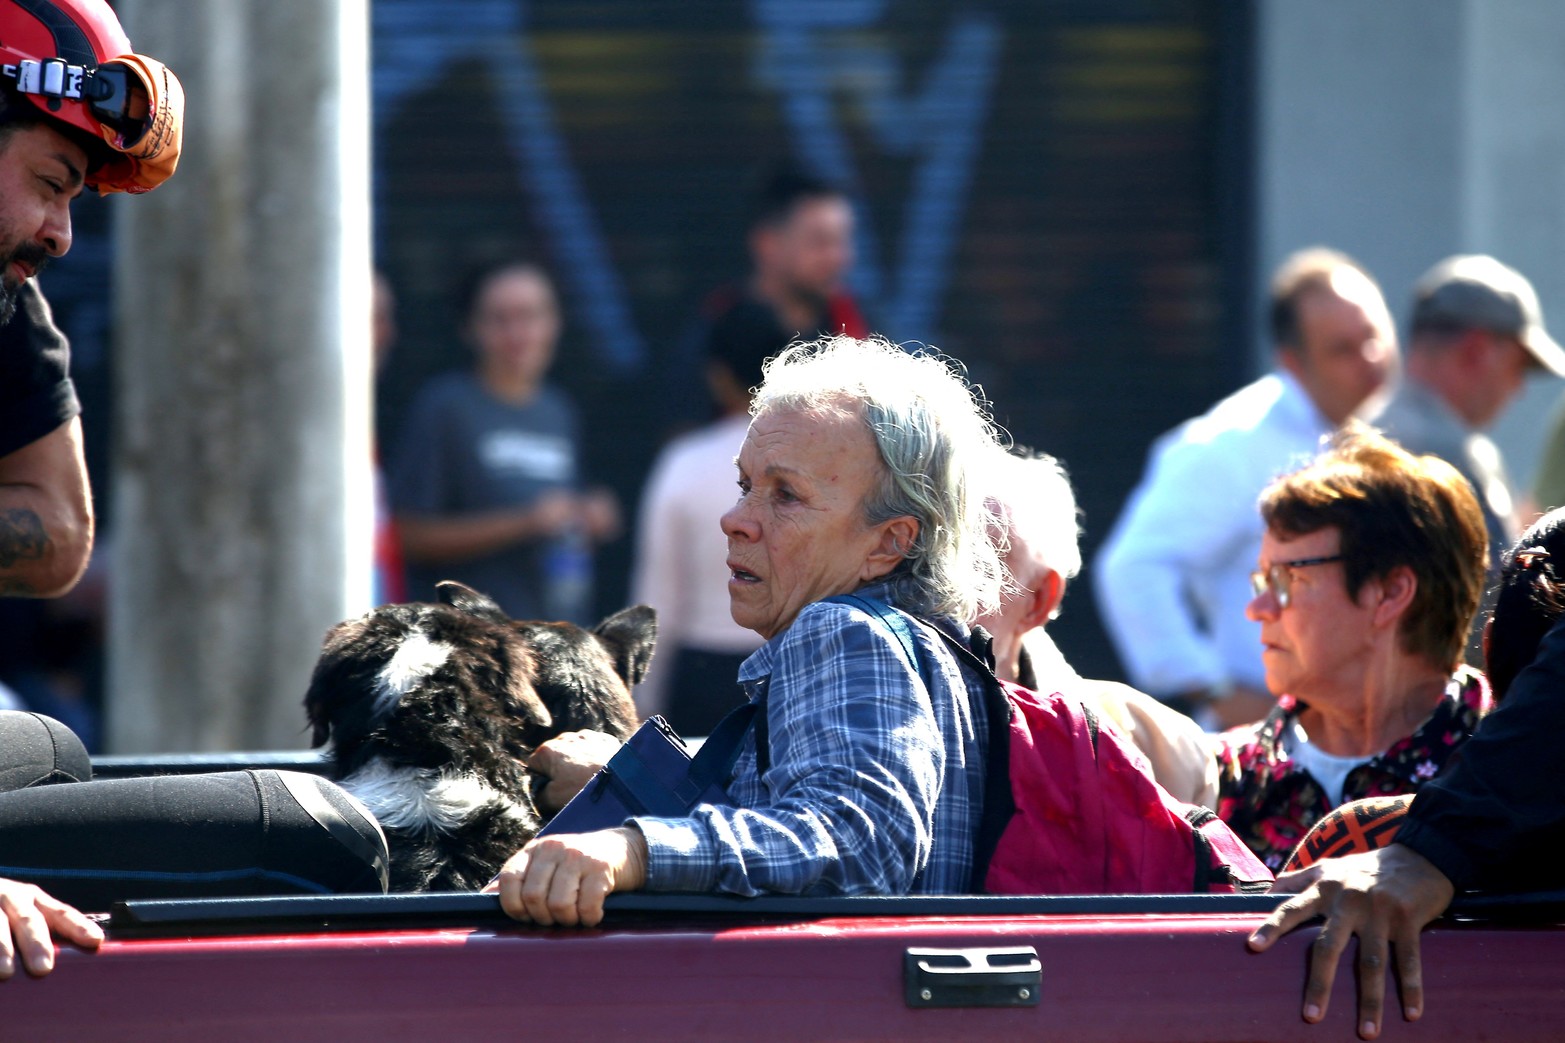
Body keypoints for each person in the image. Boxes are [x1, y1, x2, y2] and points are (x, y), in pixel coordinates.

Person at [491, 334, 1005, 926]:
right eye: (746, 486)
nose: (735, 520)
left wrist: (631, 848)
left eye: (786, 495)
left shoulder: (841, 630)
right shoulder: (932, 645)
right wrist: (627, 776)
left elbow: (859, 843)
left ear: (889, 541)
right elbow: (799, 807)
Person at [0, 0, 184, 977]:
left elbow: (60, 532)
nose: (62, 233)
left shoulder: (5, 302)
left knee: (56, 755)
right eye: (51, 184)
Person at [1248, 507, 1565, 1040]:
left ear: (1488, 649)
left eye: (1293, 578)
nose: (1257, 608)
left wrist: (1433, 848)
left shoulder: (1356, 844)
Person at [1095, 248, 1397, 728]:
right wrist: (1213, 687)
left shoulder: (1379, 428)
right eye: (1342, 348)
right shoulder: (1230, 443)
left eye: (1375, 336)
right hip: (1272, 749)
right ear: (1292, 362)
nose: (1371, 359)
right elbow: (1132, 567)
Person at [1212, 424, 1489, 870]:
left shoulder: (1515, 776)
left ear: (1390, 592)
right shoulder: (1217, 779)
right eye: (1263, 580)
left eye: (1288, 579)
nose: (1258, 608)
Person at [976, 450, 1218, 808]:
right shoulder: (872, 711)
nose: (935, 588)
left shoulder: (1156, 751)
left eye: (980, 567)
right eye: (916, 559)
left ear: (1039, 599)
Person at [389, 260, 620, 623]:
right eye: (499, 319)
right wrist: (524, 522)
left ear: (555, 323)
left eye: (530, 316)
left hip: (549, 642)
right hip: (468, 647)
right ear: (470, 329)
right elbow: (405, 536)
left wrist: (586, 515)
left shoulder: (558, 410)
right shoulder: (445, 407)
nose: (517, 333)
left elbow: (558, 515)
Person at [629, 306, 782, 730]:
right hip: (791, 667)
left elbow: (657, 599)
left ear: (717, 375)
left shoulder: (684, 462)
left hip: (701, 680)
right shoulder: (816, 466)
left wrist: (642, 705)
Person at [1372, 254, 1565, 572]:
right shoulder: (1455, 457)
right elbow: (1497, 600)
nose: (1519, 389)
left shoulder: (1355, 436)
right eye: (1518, 367)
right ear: (1476, 350)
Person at [665, 165, 868, 432]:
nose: (839, 258)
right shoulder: (714, 331)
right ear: (767, 243)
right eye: (820, 242)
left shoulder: (858, 325)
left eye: (843, 241)